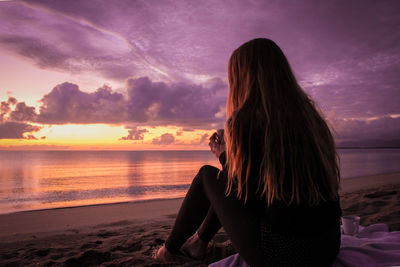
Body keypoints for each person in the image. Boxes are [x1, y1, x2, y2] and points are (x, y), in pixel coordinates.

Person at [155, 38, 342, 266]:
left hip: (283, 255)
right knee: (225, 178)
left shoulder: (243, 121)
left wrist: (225, 155)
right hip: (327, 245)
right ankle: (197, 243)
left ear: (242, 79)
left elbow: (245, 194)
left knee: (207, 176)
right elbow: (268, 191)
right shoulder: (311, 119)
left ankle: (168, 251)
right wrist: (234, 156)